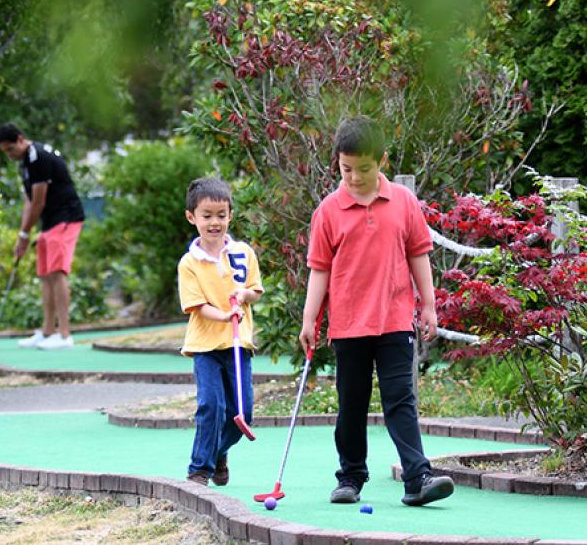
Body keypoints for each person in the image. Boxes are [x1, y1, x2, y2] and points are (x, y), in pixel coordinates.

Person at [299, 115, 455, 507]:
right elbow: (320, 269)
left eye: (363, 169)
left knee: (400, 399)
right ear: (337, 161)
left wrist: (429, 306)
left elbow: (419, 254)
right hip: (349, 325)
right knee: (351, 403)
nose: (354, 177)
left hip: (395, 319)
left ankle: (418, 478)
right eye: (346, 168)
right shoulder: (329, 211)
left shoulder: (402, 201)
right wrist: (308, 319)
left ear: (381, 160)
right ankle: (350, 477)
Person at [177, 177, 263, 486]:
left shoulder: (243, 253)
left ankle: (218, 453)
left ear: (230, 215)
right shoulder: (189, 263)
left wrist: (243, 296)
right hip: (205, 346)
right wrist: (226, 315)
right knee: (211, 405)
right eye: (207, 216)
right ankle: (200, 469)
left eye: (221, 215)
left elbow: (255, 290)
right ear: (192, 217)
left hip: (239, 345)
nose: (215, 222)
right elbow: (198, 307)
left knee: (243, 414)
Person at [0, 123, 86, 350]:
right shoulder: (25, 163)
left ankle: (64, 335)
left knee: (57, 272)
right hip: (49, 221)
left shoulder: (39, 157)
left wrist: (26, 235)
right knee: (45, 274)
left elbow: (38, 201)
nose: (9, 155)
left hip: (66, 218)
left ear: (20, 139)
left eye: (10, 149)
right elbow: (28, 201)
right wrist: (22, 234)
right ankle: (47, 332)